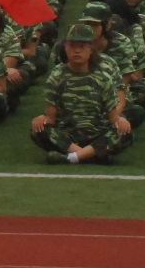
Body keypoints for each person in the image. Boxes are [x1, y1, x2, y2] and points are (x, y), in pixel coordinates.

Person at [32, 22, 129, 165]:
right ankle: (93, 156)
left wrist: (120, 121)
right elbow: (51, 118)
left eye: (82, 46)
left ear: (91, 49)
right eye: (72, 46)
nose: (77, 51)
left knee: (124, 131)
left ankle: (72, 158)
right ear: (65, 48)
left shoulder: (103, 77)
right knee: (39, 129)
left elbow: (113, 118)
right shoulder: (57, 75)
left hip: (97, 134)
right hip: (69, 136)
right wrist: (43, 119)